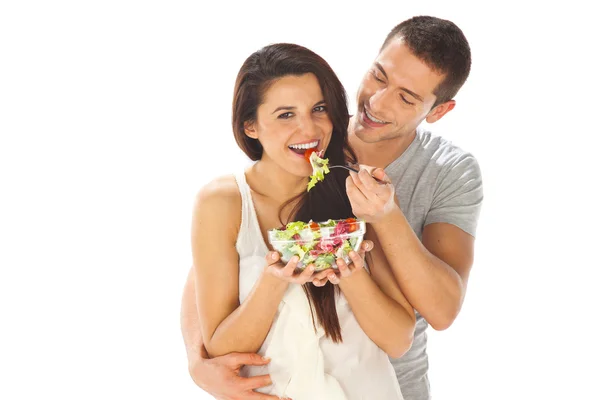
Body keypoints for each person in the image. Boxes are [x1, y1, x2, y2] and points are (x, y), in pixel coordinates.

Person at [182, 16, 483, 400]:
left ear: (438, 111)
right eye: (378, 76)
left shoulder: (422, 177)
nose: (377, 102)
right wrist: (199, 361)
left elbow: (435, 316)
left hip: (386, 383)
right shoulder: (297, 152)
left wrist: (383, 220)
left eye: (406, 97)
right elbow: (205, 276)